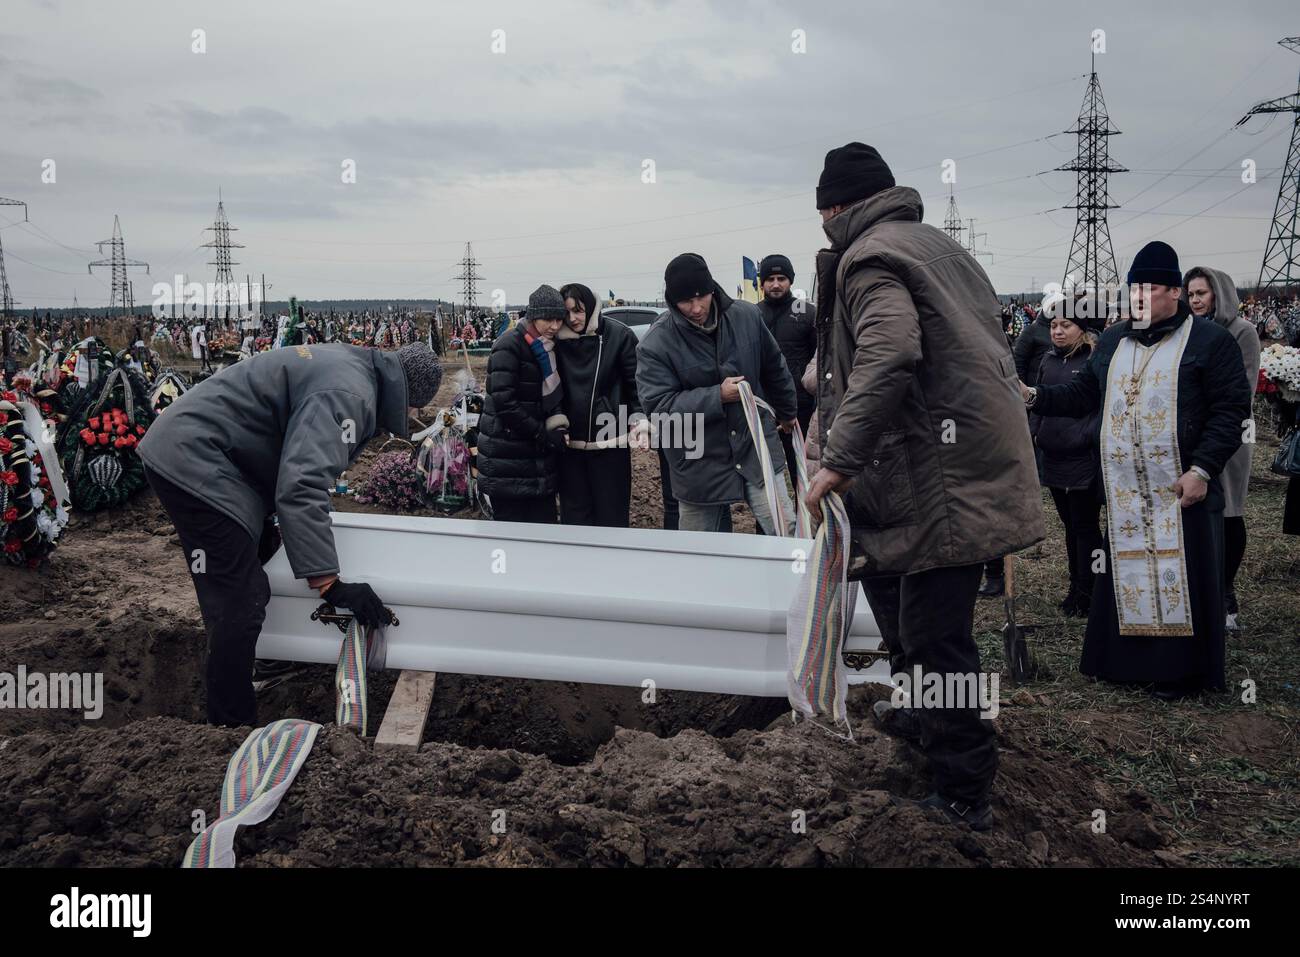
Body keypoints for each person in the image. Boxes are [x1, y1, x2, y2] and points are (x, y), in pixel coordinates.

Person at [803, 143, 1044, 831]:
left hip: (944, 477)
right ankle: (921, 714)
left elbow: (892, 350)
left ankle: (965, 789)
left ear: (837, 207)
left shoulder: (868, 258)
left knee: (936, 633)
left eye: (824, 210)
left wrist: (840, 458)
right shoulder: (935, 246)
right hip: (954, 462)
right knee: (899, 599)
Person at [138, 341, 443, 726]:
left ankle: (270, 656)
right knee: (238, 597)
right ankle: (229, 726)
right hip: (195, 461)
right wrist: (331, 584)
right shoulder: (349, 394)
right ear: (407, 394)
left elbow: (298, 464)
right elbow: (300, 484)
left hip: (211, 453)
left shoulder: (355, 369)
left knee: (266, 552)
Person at [1023, 242, 1251, 699]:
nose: (1140, 299)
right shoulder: (1113, 340)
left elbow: (1230, 412)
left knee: (1179, 578)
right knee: (1128, 572)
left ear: (1175, 293)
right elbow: (1085, 394)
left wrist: (1203, 470)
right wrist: (1034, 397)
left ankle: (1180, 674)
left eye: (1150, 289)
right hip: (1128, 490)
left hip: (1183, 487)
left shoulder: (1210, 342)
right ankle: (1124, 664)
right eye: (1134, 291)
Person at [636, 253, 798, 535]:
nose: (696, 308)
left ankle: (798, 579)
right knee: (700, 551)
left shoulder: (746, 317)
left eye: (702, 297)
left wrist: (787, 412)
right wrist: (717, 396)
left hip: (754, 447)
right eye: (686, 301)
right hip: (699, 461)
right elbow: (659, 408)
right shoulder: (656, 343)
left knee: (787, 535)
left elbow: (775, 367)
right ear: (672, 301)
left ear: (713, 289)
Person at [1184, 266, 1260, 632]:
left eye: (1202, 293)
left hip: (1231, 435)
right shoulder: (1188, 332)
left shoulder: (1241, 332)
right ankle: (1203, 591)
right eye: (1192, 293)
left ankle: (1226, 594)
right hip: (1193, 435)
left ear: (1220, 294)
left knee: (1229, 510)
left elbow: (1243, 388)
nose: (1196, 300)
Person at [554, 282, 646, 527]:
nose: (572, 319)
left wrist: (638, 420)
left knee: (611, 517)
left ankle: (613, 564)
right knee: (575, 519)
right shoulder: (556, 343)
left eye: (578, 310)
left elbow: (634, 385)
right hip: (570, 447)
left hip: (609, 444)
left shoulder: (619, 336)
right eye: (566, 312)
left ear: (592, 307)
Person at [477, 285, 569, 524]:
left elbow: (551, 395)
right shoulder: (509, 345)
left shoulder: (547, 348)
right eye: (548, 319)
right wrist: (542, 433)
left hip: (533, 460)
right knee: (513, 534)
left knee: (543, 531)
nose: (555, 326)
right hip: (506, 457)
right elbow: (505, 403)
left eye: (559, 319)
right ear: (533, 316)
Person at [1030, 310, 1102, 616]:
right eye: (1054, 325)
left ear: (1081, 329)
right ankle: (1076, 586)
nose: (1058, 331)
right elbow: (1039, 404)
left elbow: (1097, 405)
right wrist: (1034, 434)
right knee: (1069, 526)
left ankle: (1092, 589)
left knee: (1085, 526)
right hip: (1054, 456)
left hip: (1081, 457)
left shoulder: (1092, 361)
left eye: (1066, 325)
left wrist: (1087, 435)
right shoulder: (1048, 360)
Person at [756, 254, 817, 480]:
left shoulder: (807, 313)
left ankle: (806, 513)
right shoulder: (752, 314)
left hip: (799, 406)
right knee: (764, 470)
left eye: (781, 278)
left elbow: (817, 360)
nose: (775, 284)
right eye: (770, 278)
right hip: (761, 405)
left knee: (800, 469)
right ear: (762, 282)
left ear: (790, 281)